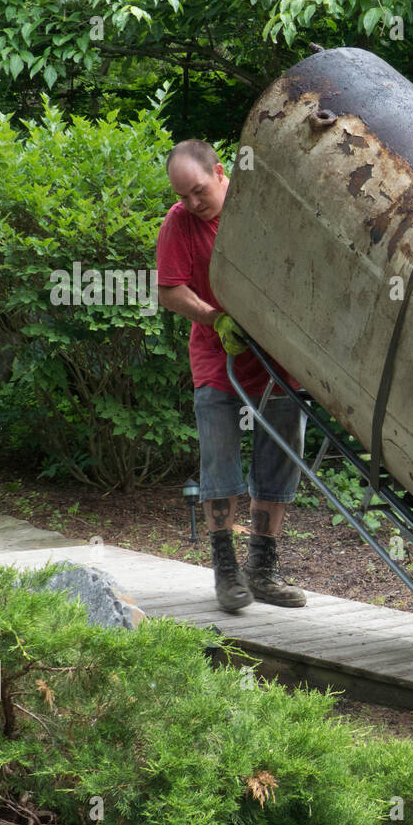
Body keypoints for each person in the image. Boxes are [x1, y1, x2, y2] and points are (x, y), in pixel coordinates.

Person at [156, 139, 307, 612]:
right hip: (217, 363)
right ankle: (225, 571)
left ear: (221, 172)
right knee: (219, 464)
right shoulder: (178, 224)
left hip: (280, 363)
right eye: (182, 195)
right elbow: (169, 291)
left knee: (278, 462)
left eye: (199, 191)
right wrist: (215, 318)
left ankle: (262, 570)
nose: (192, 203)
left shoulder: (260, 209)